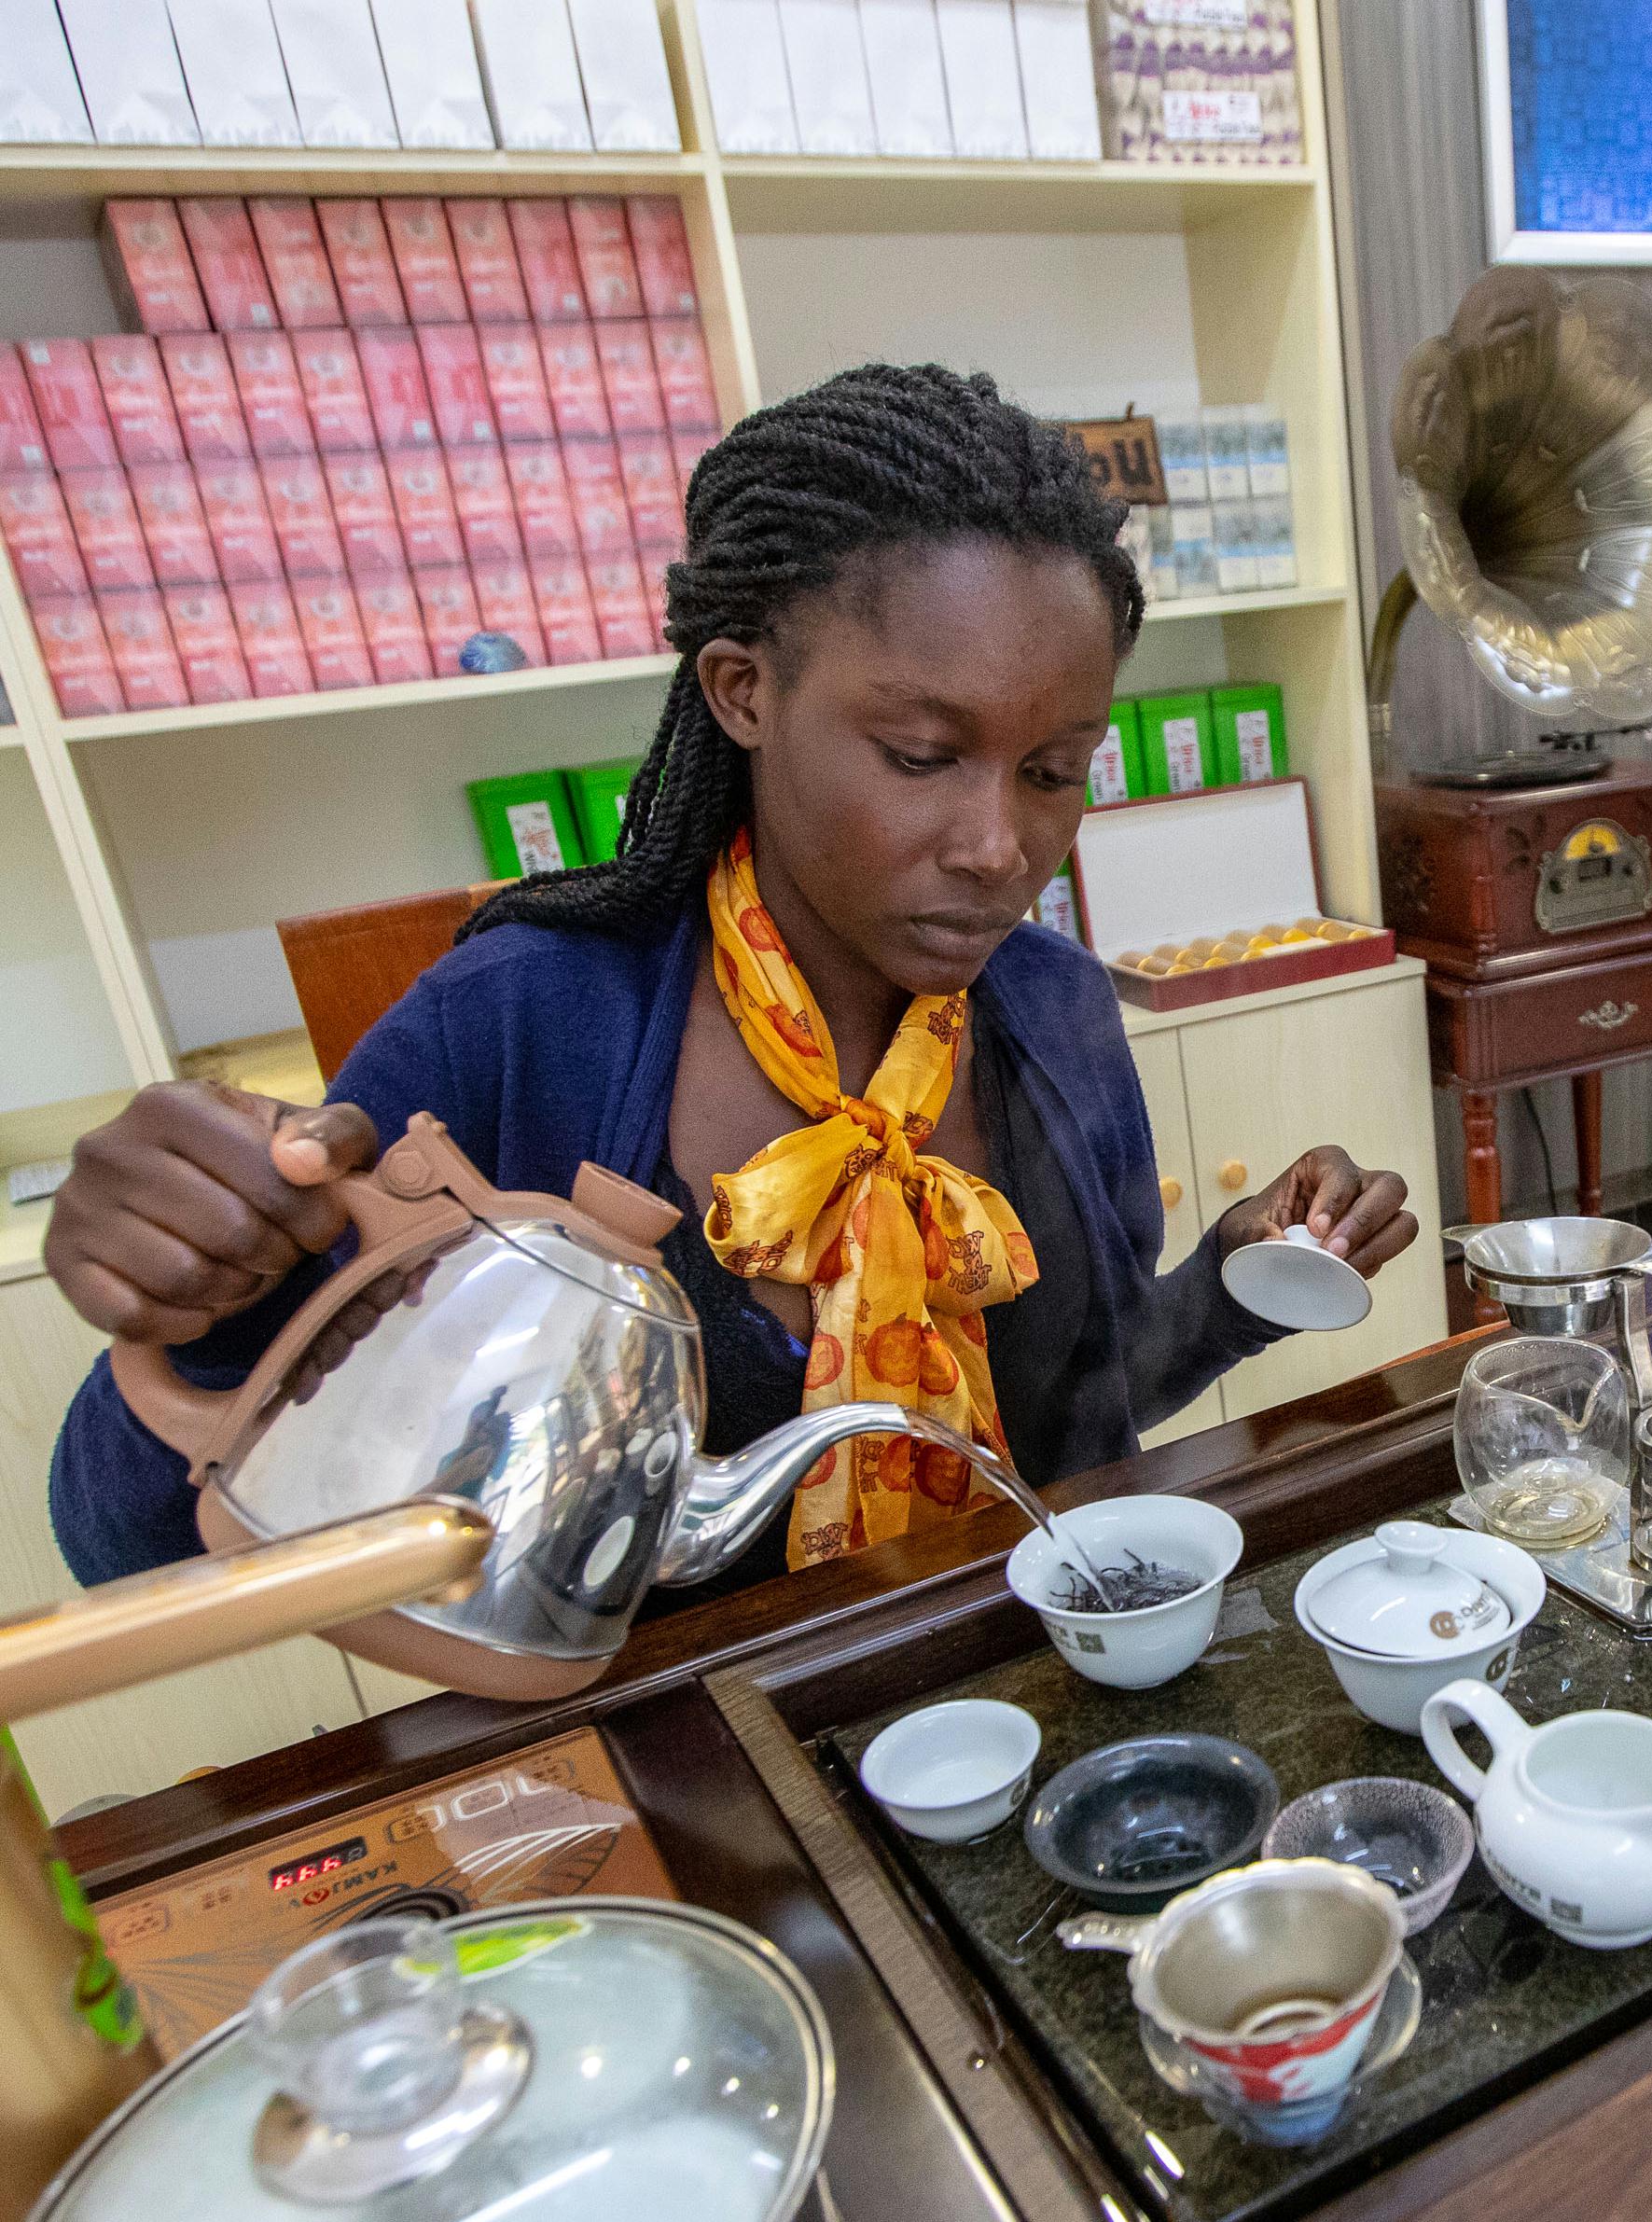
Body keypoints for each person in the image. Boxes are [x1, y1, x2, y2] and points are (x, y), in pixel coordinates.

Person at [45, 364, 1416, 1602]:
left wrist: (1238, 1279)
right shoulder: (519, 1029)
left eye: (1054, 771)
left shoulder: (1053, 1012)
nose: (1001, 847)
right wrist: (211, 1306)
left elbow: (1081, 1417)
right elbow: (131, 1547)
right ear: (743, 690)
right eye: (922, 756)